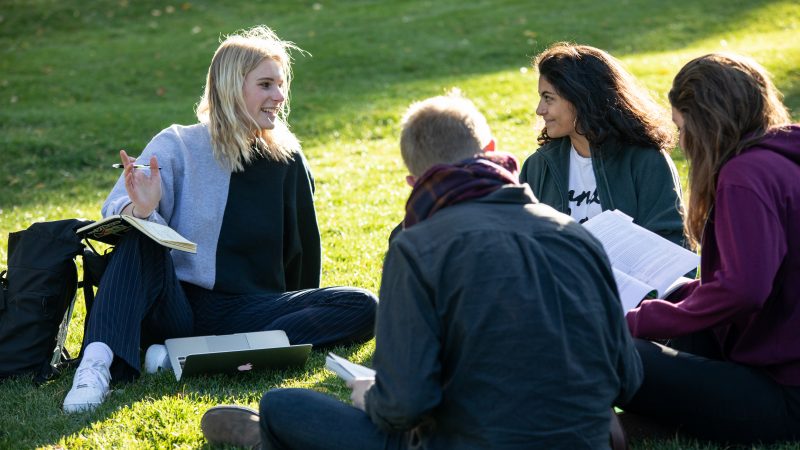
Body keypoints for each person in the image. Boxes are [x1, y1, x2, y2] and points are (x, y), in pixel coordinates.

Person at [200, 92, 643, 449]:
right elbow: (628, 378)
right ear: (491, 153)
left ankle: (268, 438)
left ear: (415, 183)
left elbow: (404, 406)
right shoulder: (576, 236)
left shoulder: (419, 247)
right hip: (583, 439)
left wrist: (372, 396)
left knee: (283, 405)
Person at [62, 26, 377, 413]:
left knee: (363, 305)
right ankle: (96, 366)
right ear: (230, 87)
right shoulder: (177, 144)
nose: (278, 97)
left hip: (247, 312)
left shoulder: (288, 160)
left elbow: (302, 256)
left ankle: (183, 355)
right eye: (265, 85)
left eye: (280, 85)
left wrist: (300, 309)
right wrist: (141, 209)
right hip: (174, 304)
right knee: (140, 236)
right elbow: (115, 210)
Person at [619, 53, 800, 444]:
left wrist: (638, 320)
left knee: (609, 348)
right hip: (778, 358)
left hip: (785, 392)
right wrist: (683, 297)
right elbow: (766, 278)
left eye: (682, 129)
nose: (682, 144)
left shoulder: (745, 176)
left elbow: (743, 290)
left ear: (704, 124)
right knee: (663, 333)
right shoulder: (783, 161)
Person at [520, 42, 687, 247]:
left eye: (548, 98)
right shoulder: (538, 167)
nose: (539, 110)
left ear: (581, 98)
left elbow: (673, 239)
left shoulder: (645, 160)